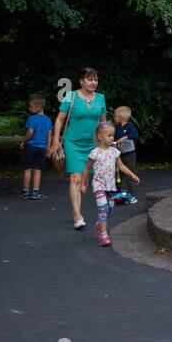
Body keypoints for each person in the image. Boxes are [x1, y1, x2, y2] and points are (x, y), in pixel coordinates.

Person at [48, 68, 107, 230]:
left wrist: (107, 141)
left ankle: (77, 209)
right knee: (75, 177)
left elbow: (103, 123)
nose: (93, 82)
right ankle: (77, 215)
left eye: (95, 79)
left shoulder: (101, 98)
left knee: (84, 181)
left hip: (93, 144)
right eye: (89, 79)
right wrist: (55, 141)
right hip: (73, 142)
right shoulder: (71, 96)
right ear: (81, 81)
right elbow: (60, 119)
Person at [86, 122, 140, 247]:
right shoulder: (95, 153)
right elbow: (86, 168)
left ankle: (99, 225)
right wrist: (84, 183)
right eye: (109, 135)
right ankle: (104, 235)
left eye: (112, 135)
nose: (112, 138)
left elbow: (121, 166)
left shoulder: (114, 152)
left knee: (110, 208)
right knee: (103, 208)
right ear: (100, 136)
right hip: (99, 185)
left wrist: (132, 175)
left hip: (111, 186)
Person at [19, 94, 52, 200]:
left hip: (31, 147)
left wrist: (23, 141)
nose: (29, 108)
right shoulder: (48, 120)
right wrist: (48, 147)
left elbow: (30, 133)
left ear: (39, 107)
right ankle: (35, 192)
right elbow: (49, 135)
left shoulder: (31, 119)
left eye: (31, 107)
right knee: (38, 169)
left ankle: (25, 191)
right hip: (42, 148)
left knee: (27, 169)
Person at [112, 106, 139, 205]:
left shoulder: (130, 126)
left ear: (121, 117)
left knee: (129, 175)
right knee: (118, 175)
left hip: (130, 154)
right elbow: (113, 137)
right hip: (119, 154)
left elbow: (135, 134)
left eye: (115, 116)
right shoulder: (117, 127)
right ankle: (118, 196)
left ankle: (132, 195)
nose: (114, 118)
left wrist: (125, 137)